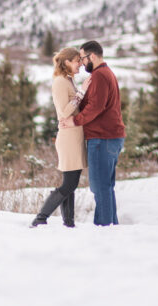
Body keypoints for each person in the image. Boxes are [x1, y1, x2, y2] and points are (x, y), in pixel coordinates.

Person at [61, 40, 125, 226]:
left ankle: (104, 229)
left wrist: (74, 120)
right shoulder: (106, 73)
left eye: (83, 58)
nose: (81, 62)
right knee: (106, 186)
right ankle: (111, 227)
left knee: (99, 187)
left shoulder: (100, 76)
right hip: (111, 137)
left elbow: (95, 107)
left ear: (93, 56)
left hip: (103, 138)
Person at [31, 47, 87, 228]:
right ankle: (41, 217)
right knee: (70, 183)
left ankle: (68, 223)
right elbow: (64, 112)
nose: (80, 64)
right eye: (77, 60)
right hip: (69, 138)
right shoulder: (60, 82)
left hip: (75, 136)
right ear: (67, 62)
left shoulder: (69, 80)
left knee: (71, 183)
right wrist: (81, 93)